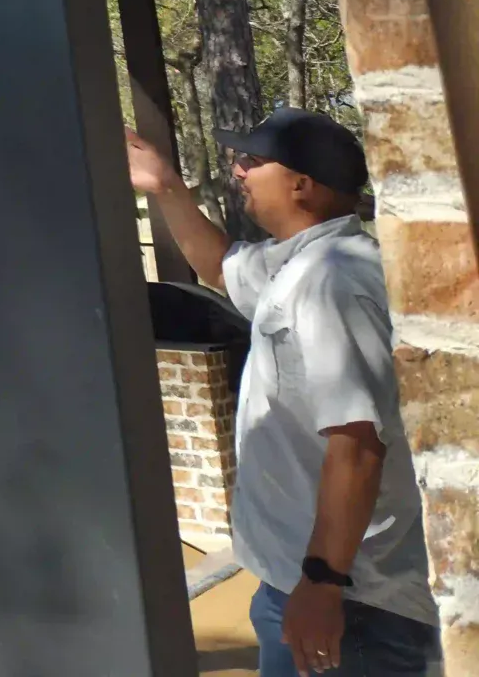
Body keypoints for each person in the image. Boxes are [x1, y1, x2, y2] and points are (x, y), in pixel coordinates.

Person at [129, 111, 440, 676]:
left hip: (352, 604)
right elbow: (221, 270)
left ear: (302, 184)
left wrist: (322, 583)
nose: (238, 170)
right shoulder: (300, 262)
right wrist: (167, 188)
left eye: (253, 160)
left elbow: (358, 443)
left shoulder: (335, 281)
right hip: (306, 585)